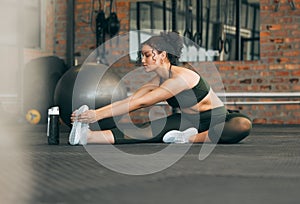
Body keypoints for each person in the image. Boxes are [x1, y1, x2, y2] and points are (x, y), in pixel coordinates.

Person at [69, 31, 252, 145]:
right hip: (187, 121)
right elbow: (133, 100)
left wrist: (96, 115)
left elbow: (142, 103)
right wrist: (93, 115)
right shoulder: (159, 79)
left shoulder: (180, 78)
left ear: (162, 55)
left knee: (242, 125)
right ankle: (88, 137)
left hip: (216, 119)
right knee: (146, 130)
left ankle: (187, 138)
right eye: (142, 55)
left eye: (148, 55)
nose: (142, 60)